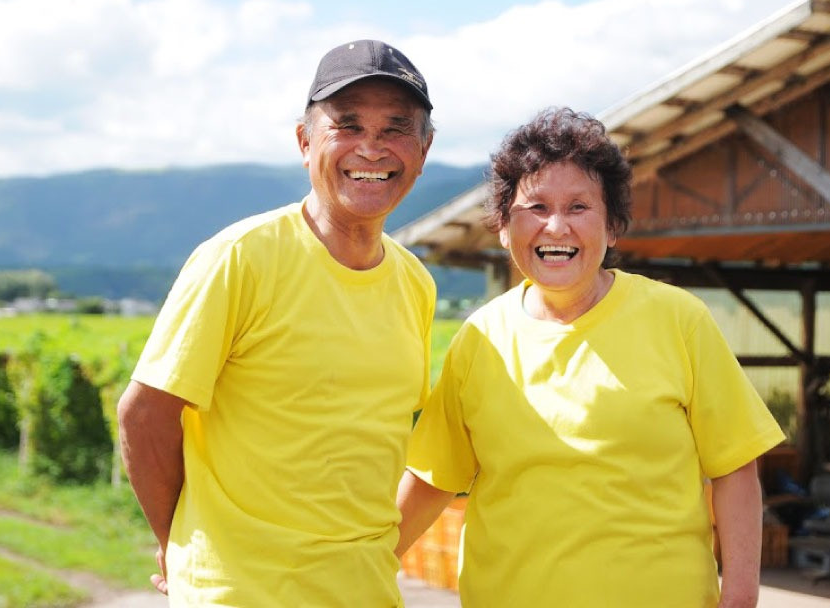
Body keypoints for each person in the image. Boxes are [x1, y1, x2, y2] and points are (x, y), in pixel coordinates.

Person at [395, 107, 785, 608]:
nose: (555, 227)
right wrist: (364, 564)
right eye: (535, 207)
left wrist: (740, 597)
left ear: (614, 227)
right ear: (502, 227)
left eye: (579, 207)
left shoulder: (678, 320)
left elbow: (735, 469)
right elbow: (433, 478)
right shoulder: (480, 338)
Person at [117, 39, 436, 606]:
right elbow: (146, 414)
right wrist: (178, 545)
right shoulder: (241, 256)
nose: (372, 148)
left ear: (424, 149)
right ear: (304, 140)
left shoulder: (415, 282)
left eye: (395, 128)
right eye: (348, 124)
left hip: (364, 593)